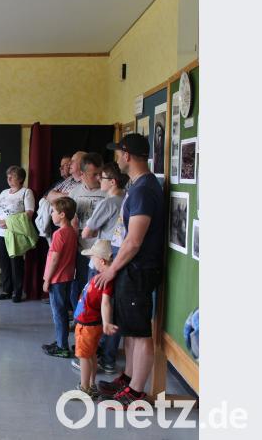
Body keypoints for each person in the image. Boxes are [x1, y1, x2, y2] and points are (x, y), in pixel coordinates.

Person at [94, 133, 164, 408]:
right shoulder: (139, 185)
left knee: (140, 332)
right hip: (130, 268)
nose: (116, 158)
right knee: (130, 330)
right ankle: (129, 378)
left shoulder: (145, 189)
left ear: (127, 155)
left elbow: (134, 241)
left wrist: (111, 271)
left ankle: (137, 392)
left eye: (118, 152)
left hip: (138, 268)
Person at [71, 161, 128, 374]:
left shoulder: (108, 202)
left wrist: (89, 230)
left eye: (101, 177)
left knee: (95, 309)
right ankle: (109, 358)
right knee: (111, 308)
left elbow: (87, 232)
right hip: (118, 260)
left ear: (112, 181)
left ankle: (94, 354)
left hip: (102, 258)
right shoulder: (127, 199)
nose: (97, 180)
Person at [70, 240, 115, 398]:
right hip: (88, 323)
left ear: (101, 261)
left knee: (84, 356)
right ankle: (91, 384)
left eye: (92, 258)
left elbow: (105, 303)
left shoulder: (106, 281)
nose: (91, 261)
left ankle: (85, 388)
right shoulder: (101, 276)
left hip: (88, 325)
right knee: (91, 355)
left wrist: (107, 322)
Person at [67, 153, 106, 308]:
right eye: (94, 174)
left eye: (100, 173)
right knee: (78, 286)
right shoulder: (73, 193)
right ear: (82, 174)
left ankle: (94, 325)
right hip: (80, 250)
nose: (99, 178)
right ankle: (79, 321)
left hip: (102, 253)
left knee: (97, 290)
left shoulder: (108, 191)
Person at [0, 166, 35, 303]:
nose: (9, 179)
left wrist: (8, 223)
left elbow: (29, 213)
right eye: (8, 176)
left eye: (13, 176)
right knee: (4, 263)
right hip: (0, 232)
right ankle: (6, 290)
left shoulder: (26, 192)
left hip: (15, 233)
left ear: (21, 178)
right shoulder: (4, 192)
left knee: (16, 263)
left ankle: (17, 292)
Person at [42, 197, 77, 358]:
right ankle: (60, 340)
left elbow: (55, 259)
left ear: (62, 214)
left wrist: (47, 279)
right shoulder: (72, 231)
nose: (51, 214)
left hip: (57, 279)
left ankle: (62, 346)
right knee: (62, 311)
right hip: (67, 277)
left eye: (53, 212)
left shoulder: (59, 234)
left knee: (58, 313)